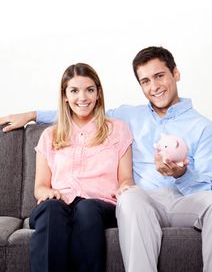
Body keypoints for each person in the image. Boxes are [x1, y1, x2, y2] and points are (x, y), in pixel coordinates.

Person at [1, 46, 212, 272]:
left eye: (159, 76)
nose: (154, 86)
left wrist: (181, 174)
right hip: (142, 199)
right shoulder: (129, 115)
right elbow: (82, 110)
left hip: (185, 201)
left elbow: (209, 186)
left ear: (176, 73)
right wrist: (32, 115)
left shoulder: (205, 128)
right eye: (145, 81)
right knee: (129, 198)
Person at [23, 62, 134, 272]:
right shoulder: (50, 135)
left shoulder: (117, 130)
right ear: (65, 95)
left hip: (99, 206)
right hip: (60, 204)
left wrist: (126, 187)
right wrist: (49, 193)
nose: (82, 98)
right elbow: (40, 186)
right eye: (74, 90)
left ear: (98, 94)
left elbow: (126, 177)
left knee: (87, 208)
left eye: (89, 90)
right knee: (51, 209)